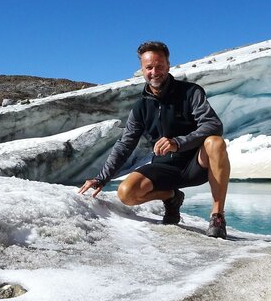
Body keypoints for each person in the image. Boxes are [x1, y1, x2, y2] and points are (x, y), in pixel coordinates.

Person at [78, 41, 231, 239]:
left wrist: (178, 142)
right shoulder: (141, 107)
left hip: (196, 164)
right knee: (126, 193)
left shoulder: (190, 92)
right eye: (149, 67)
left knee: (215, 142)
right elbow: (125, 144)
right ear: (142, 69)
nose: (154, 71)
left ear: (168, 66)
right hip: (163, 168)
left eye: (159, 66)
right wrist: (102, 177)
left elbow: (213, 125)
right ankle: (172, 197)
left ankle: (217, 215)